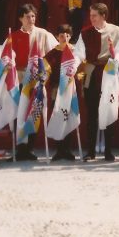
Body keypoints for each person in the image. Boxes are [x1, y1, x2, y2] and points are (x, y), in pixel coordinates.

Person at [74, 2, 119, 161]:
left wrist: (117, 59)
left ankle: (108, 151)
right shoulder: (85, 33)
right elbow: (78, 54)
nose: (92, 19)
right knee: (92, 114)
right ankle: (90, 151)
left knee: (110, 111)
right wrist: (74, 66)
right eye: (90, 15)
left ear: (104, 16)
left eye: (94, 16)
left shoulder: (117, 32)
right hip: (91, 75)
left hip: (109, 75)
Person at [44, 24, 79, 161]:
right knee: (59, 116)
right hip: (56, 90)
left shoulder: (76, 53)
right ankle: (59, 149)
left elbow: (81, 69)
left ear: (70, 36)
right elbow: (46, 69)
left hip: (71, 90)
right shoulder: (52, 53)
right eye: (61, 35)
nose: (64, 38)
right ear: (57, 37)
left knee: (69, 116)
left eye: (67, 35)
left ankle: (67, 149)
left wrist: (78, 78)